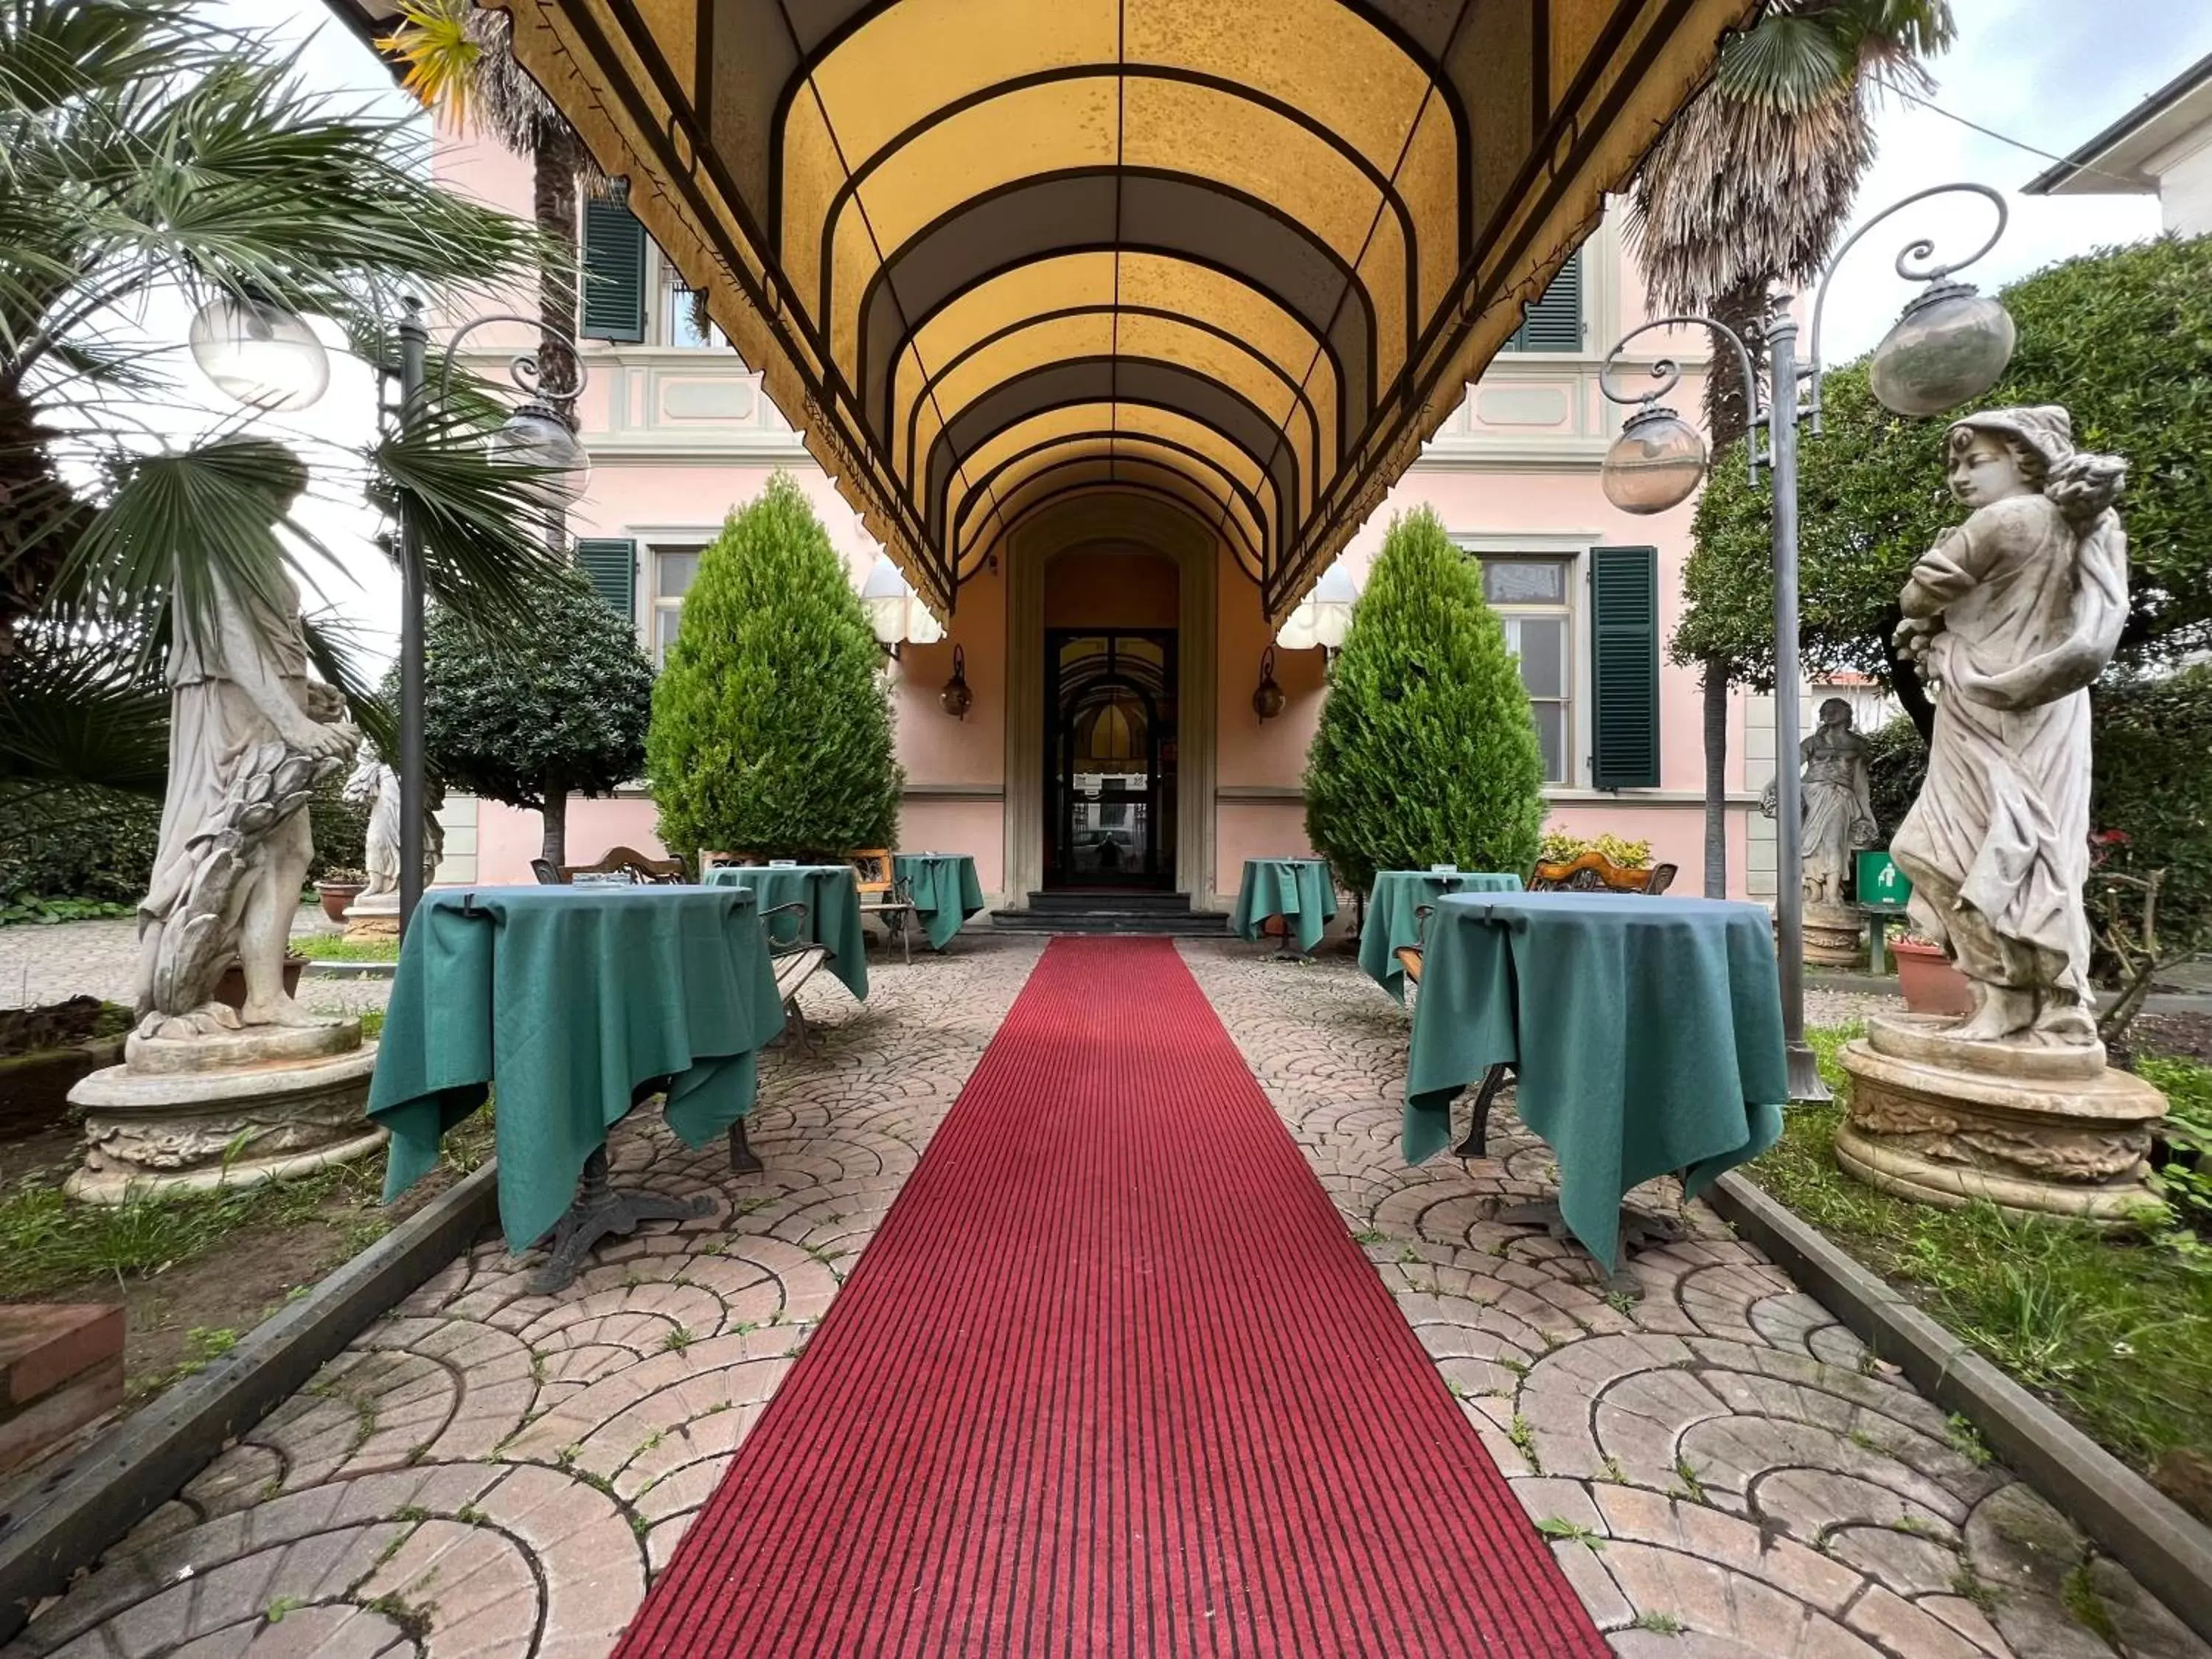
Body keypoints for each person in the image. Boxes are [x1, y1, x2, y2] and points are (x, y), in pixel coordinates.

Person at [1889, 407, 2127, 1046]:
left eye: (1976, 461)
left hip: (1990, 707)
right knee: (2034, 848)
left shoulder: (2003, 520)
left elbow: (1918, 596)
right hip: (2043, 709)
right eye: (1956, 467)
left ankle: (2006, 997)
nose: (1962, 478)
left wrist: (1928, 608)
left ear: (2026, 461)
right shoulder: (2088, 529)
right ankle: (2046, 1000)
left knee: (1944, 850)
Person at [135, 441, 359, 1031]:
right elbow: (231, 642)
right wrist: (296, 724)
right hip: (229, 715)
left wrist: (304, 693)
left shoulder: (252, 547)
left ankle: (265, 996)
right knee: (234, 844)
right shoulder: (210, 543)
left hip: (271, 709)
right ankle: (186, 990)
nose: (282, 506)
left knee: (291, 850)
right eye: (275, 491)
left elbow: (269, 642)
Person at [1798, 699, 1877, 911]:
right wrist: (1771, 787)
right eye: (1825, 709)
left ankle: (1832, 894)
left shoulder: (1858, 745)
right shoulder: (1812, 743)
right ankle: (1813, 888)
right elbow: (1788, 767)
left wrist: (1867, 813)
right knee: (1806, 842)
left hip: (1839, 796)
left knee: (1834, 842)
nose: (1828, 712)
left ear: (1847, 714)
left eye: (1835, 709)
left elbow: (1860, 783)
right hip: (1809, 794)